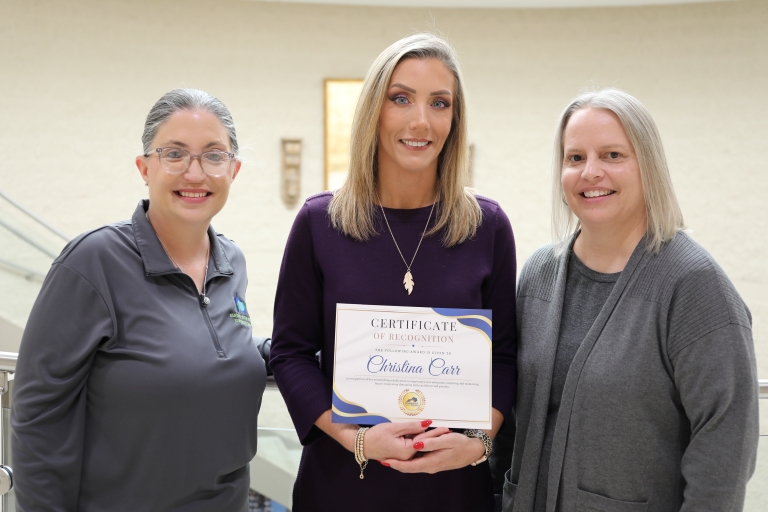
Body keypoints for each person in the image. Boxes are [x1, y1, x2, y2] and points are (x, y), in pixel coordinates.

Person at [270, 33, 517, 512]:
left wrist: (478, 444)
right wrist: (356, 440)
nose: (420, 120)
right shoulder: (320, 223)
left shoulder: (487, 227)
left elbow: (503, 358)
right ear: (373, 113)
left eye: (439, 103)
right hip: (343, 482)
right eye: (400, 98)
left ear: (454, 119)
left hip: (452, 489)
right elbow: (291, 353)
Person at [503, 88, 759, 511]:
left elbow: (726, 441)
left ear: (648, 166)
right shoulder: (538, 275)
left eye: (612, 155)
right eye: (575, 158)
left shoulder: (693, 285)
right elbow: (514, 422)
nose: (591, 172)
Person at [11, 88, 267, 511]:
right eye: (175, 154)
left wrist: (282, 354)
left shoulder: (231, 261)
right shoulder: (93, 262)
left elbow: (212, 346)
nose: (195, 173)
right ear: (144, 167)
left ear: (234, 170)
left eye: (213, 155)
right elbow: (38, 415)